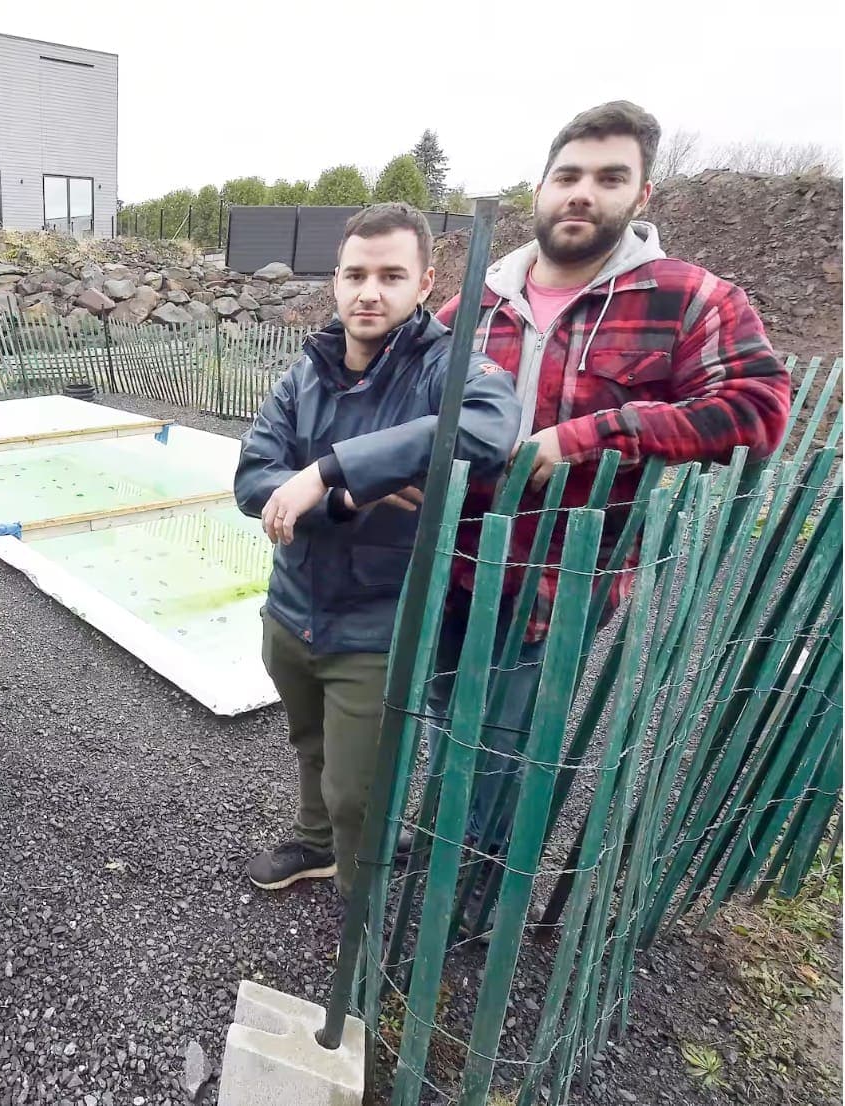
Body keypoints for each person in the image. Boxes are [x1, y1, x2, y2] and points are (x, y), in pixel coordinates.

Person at [429, 101, 792, 859]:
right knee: (440, 703)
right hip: (451, 558)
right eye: (567, 176)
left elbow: (757, 410)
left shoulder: (689, 299)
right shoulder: (478, 300)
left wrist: (593, 435)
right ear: (539, 188)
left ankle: (475, 864)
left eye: (608, 177)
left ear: (642, 195)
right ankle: (441, 828)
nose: (581, 193)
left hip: (561, 576)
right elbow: (411, 399)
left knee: (509, 730)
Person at [234, 203, 522, 894]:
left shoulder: (447, 368)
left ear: (424, 283)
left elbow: (488, 429)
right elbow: (253, 477)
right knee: (310, 748)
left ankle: (360, 909)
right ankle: (314, 847)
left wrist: (326, 470)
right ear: (334, 280)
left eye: (391, 275)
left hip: (377, 623)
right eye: (356, 274)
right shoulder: (308, 373)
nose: (370, 291)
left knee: (358, 792)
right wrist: (342, 495)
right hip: (293, 606)